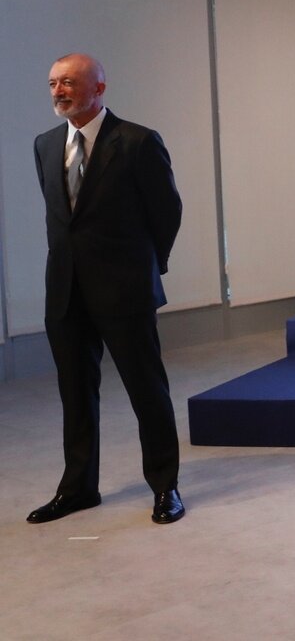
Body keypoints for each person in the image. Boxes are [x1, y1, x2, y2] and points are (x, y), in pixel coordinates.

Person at [29, 53, 185, 525]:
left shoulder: (137, 142)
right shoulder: (45, 144)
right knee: (75, 393)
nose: (59, 91)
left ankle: (165, 487)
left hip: (125, 292)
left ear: (99, 88)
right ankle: (78, 488)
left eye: (70, 82)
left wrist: (144, 270)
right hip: (65, 292)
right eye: (54, 83)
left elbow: (167, 213)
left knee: (146, 390)